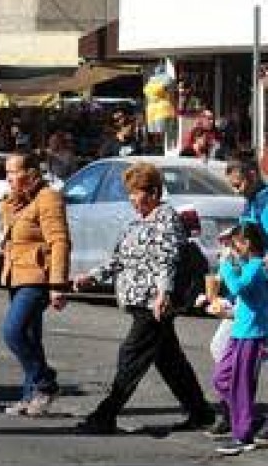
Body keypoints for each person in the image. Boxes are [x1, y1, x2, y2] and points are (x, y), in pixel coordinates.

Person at [74, 162, 215, 434]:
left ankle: (106, 414)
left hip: (153, 302)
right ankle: (201, 412)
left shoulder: (166, 218)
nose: (131, 198)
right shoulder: (138, 222)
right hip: (139, 299)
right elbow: (120, 258)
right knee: (170, 361)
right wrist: (92, 276)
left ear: (152, 192)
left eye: (135, 192)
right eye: (129, 192)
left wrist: (164, 293)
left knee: (132, 355)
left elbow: (167, 258)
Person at [0, 153, 70, 417]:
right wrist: (13, 201)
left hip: (38, 278)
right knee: (30, 337)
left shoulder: (48, 198)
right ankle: (31, 396)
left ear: (31, 173)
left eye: (13, 172)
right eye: (6, 172)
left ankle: (45, 382)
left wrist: (57, 284)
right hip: (16, 276)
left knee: (12, 332)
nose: (8, 178)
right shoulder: (17, 202)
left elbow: (60, 241)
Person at [209, 223, 268, 455]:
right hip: (239, 332)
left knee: (241, 385)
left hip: (252, 334)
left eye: (236, 244)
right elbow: (238, 295)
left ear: (248, 244)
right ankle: (250, 417)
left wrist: (224, 264)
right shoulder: (247, 265)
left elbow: (237, 286)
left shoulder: (255, 266)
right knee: (221, 378)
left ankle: (243, 436)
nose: (233, 248)